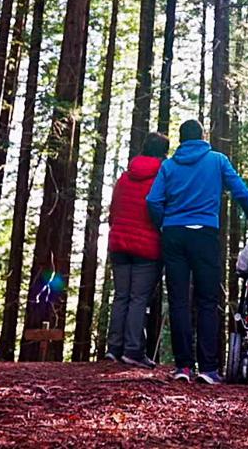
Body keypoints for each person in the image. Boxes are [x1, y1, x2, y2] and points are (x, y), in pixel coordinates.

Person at [146, 119, 248, 384]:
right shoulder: (217, 160)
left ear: (181, 139)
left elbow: (153, 200)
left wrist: (164, 223)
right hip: (205, 234)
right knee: (207, 301)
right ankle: (208, 369)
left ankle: (183, 367)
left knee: (178, 300)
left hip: (174, 235)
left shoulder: (169, 165)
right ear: (203, 136)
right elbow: (241, 191)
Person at [103, 132, 169, 367]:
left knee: (121, 296)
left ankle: (114, 349)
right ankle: (132, 350)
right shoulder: (162, 178)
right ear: (163, 152)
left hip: (119, 244)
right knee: (138, 298)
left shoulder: (124, 178)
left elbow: (113, 211)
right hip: (147, 246)